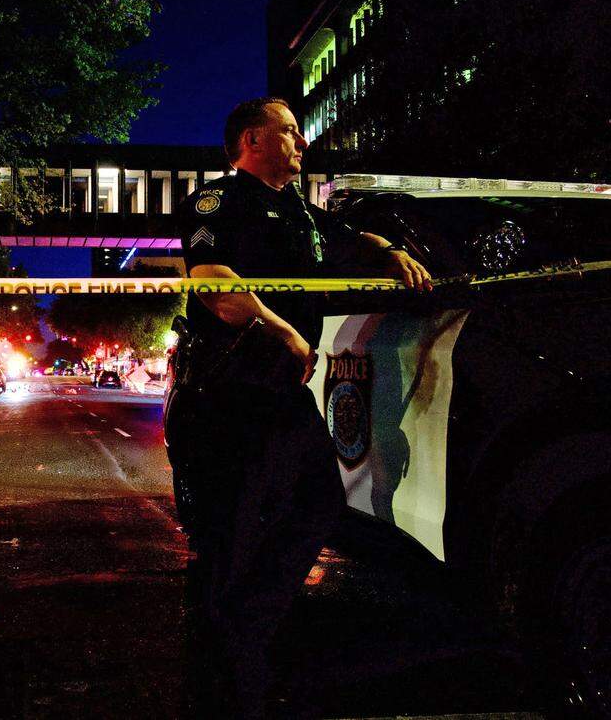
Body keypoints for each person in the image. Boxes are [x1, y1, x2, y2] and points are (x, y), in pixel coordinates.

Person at [165, 97, 432, 718]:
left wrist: (389, 253)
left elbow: (350, 240)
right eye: (289, 132)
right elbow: (210, 280)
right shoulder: (216, 201)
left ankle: (247, 633)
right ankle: (220, 680)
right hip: (227, 392)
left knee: (315, 504)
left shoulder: (300, 212)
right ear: (253, 139)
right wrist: (278, 327)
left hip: (280, 393)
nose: (301, 143)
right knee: (228, 533)